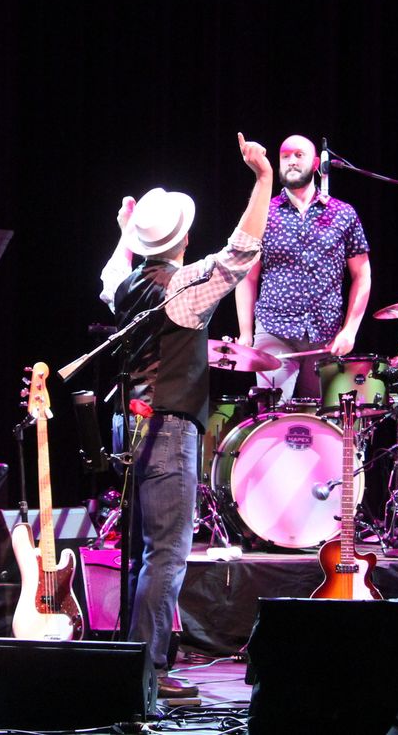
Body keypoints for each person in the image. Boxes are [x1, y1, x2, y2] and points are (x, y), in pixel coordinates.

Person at [100, 133, 273, 699]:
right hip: (169, 428)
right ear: (185, 238)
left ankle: (139, 664)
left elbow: (108, 277)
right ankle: (147, 673)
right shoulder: (183, 288)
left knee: (145, 553)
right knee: (167, 554)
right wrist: (263, 179)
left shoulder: (126, 286)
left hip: (130, 425)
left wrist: (124, 233)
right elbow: (240, 252)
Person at [234, 134, 371, 401]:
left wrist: (350, 330)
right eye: (285, 156)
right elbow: (248, 277)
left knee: (318, 420)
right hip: (274, 330)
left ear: (316, 163)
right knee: (273, 416)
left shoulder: (343, 213)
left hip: (326, 335)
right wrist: (245, 332)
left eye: (299, 155)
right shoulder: (264, 213)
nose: (292, 162)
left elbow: (362, 275)